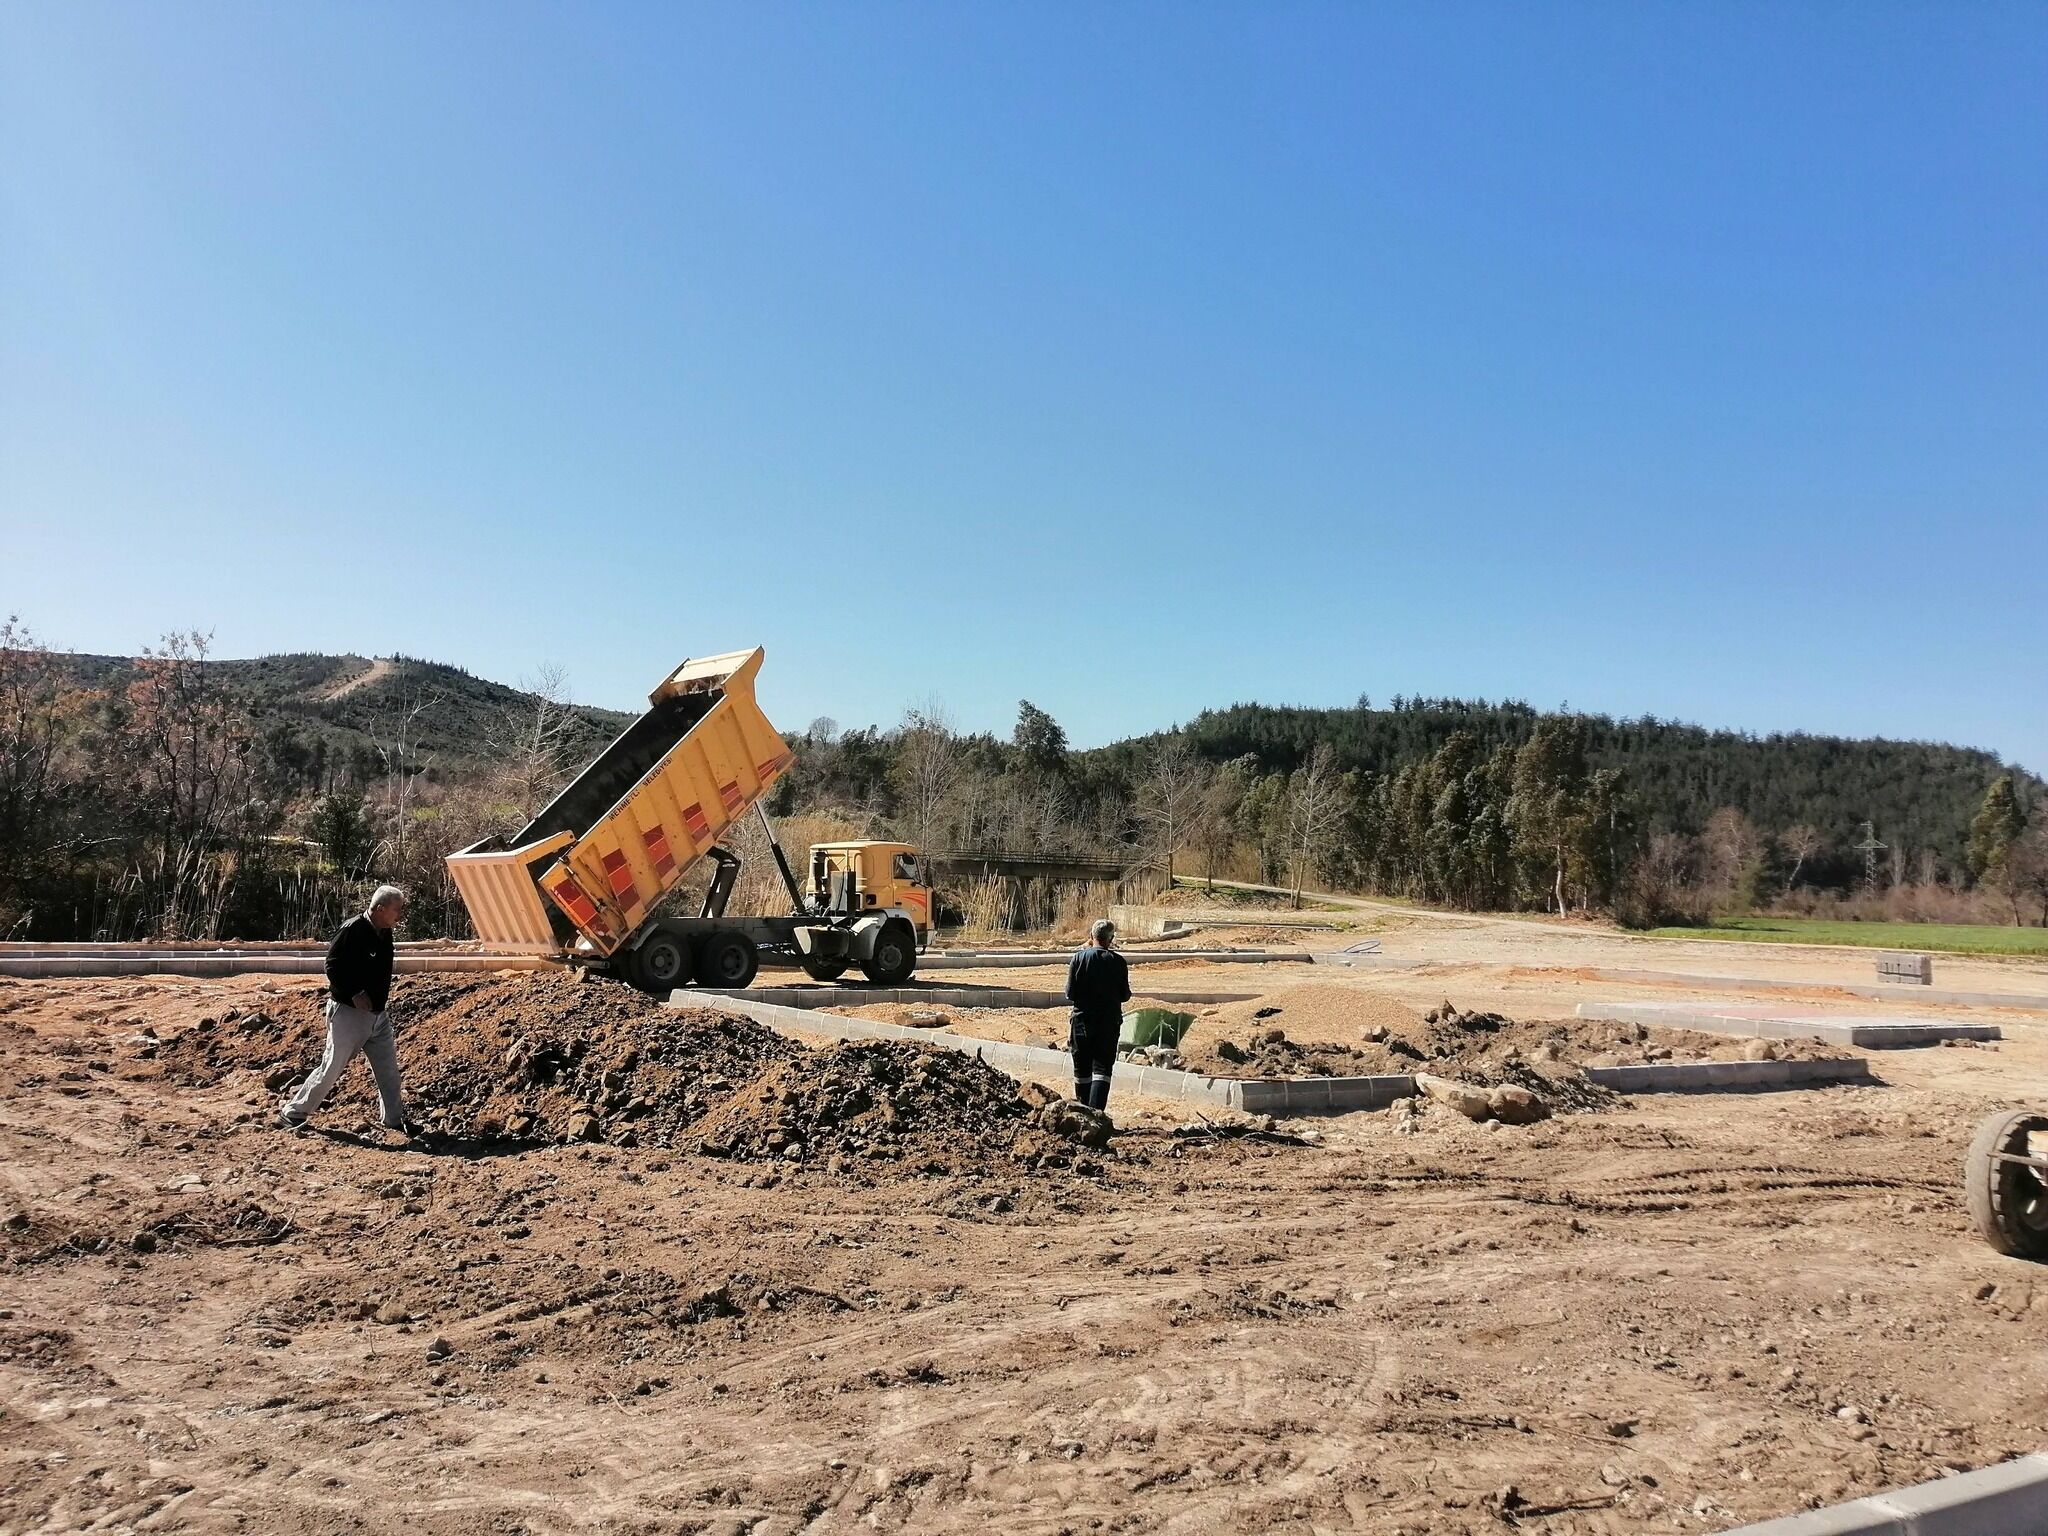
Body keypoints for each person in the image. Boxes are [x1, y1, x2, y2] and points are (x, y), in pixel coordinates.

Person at [278, 885, 412, 1136]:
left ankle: (394, 1120)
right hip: (349, 1015)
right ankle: (293, 1112)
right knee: (332, 1067)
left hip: (378, 1016)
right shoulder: (352, 931)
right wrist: (354, 992)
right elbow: (332, 966)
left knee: (389, 1071)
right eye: (396, 910)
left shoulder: (385, 932)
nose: (400, 915)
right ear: (380, 909)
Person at [1065, 918, 1130, 1112]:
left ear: (1092, 936)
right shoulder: (1118, 962)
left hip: (1082, 1021)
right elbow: (1125, 995)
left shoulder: (1078, 958)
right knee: (1102, 1070)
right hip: (1108, 1023)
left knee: (1082, 1068)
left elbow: (1070, 993)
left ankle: (1083, 1113)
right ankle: (1097, 1114)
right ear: (1110, 939)